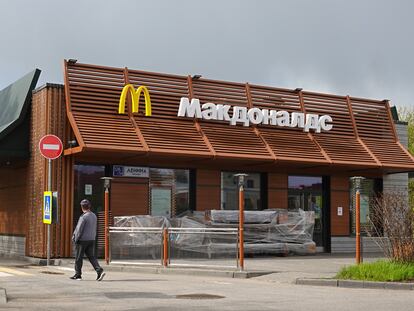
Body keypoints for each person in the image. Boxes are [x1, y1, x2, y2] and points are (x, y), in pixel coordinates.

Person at [70, 199, 105, 281]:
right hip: (91, 239)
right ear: (89, 206)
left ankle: (78, 274)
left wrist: (75, 238)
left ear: (82, 207)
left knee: (78, 257)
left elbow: (79, 229)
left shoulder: (83, 217)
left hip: (82, 240)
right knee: (91, 256)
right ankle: (98, 269)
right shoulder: (94, 216)